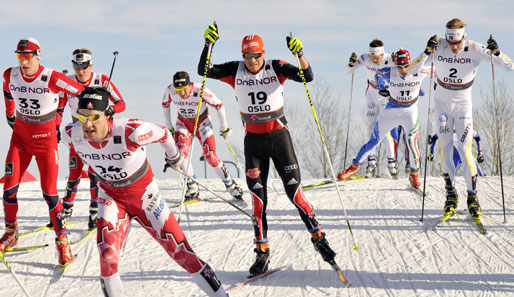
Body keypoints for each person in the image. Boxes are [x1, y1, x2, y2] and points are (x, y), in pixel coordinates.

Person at [198, 24, 337, 277]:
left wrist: (300, 53)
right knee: (258, 202)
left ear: (263, 54)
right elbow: (204, 70)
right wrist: (208, 45)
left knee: (295, 194)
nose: (252, 61)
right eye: (248, 57)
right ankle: (262, 254)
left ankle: (318, 238)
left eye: (257, 56)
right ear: (243, 57)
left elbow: (307, 76)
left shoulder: (276, 66)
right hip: (254, 144)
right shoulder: (235, 70)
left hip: (279, 139)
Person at [62, 87, 228, 297]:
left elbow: (164, 133)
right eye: (82, 117)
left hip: (144, 195)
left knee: (181, 252)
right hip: (110, 196)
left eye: (94, 117)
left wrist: (174, 156)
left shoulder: (131, 130)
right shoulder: (71, 133)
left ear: (108, 114)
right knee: (107, 255)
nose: (87, 124)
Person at [1, 37, 84, 266]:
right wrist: (10, 115)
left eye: (27, 56)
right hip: (19, 139)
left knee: (49, 193)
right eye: (19, 56)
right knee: (8, 189)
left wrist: (93, 109)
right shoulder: (11, 74)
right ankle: (11, 231)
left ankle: (62, 241)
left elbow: (79, 91)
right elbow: (7, 93)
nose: (23, 62)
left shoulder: (52, 77)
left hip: (45, 141)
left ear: (38, 56)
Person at [426, 18, 513, 218]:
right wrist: (426, 51)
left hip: (463, 108)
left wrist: (496, 52)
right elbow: (414, 69)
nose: (454, 47)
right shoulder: (438, 46)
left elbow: (509, 67)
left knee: (466, 153)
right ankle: (450, 195)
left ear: (464, 37)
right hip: (442, 108)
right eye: (450, 43)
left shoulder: (474, 48)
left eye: (457, 43)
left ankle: (472, 197)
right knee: (446, 152)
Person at [337, 48, 432, 189]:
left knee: (412, 143)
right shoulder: (390, 71)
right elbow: (378, 75)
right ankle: (353, 168)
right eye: (400, 67)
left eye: (406, 66)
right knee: (374, 140)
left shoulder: (420, 71)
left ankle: (414, 175)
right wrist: (382, 87)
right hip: (391, 111)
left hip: (409, 113)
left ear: (410, 63)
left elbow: (439, 68)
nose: (403, 70)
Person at [52, 48, 126, 230]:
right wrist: (55, 126)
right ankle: (65, 211)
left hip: (98, 133)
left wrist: (110, 110)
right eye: (77, 66)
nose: (80, 70)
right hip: (78, 130)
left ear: (90, 65)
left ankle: (94, 212)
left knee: (94, 174)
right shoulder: (67, 81)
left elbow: (121, 103)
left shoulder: (101, 80)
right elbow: (60, 108)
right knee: (74, 173)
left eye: (84, 65)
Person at [162, 71, 243, 201]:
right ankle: (192, 185)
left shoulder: (200, 89)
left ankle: (230, 184)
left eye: (184, 89)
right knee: (181, 155)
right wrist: (169, 125)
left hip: (202, 123)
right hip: (183, 123)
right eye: (178, 90)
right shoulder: (170, 90)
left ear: (189, 85)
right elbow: (165, 105)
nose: (181, 94)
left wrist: (224, 127)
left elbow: (219, 105)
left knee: (210, 156)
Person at [344, 40, 401, 178]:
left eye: (377, 57)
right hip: (371, 95)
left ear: (382, 53)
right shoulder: (365, 58)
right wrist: (351, 63)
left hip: (385, 97)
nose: (375, 60)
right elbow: (348, 71)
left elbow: (403, 72)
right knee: (370, 128)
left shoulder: (389, 59)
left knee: (385, 130)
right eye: (373, 57)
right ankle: (371, 162)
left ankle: (391, 163)